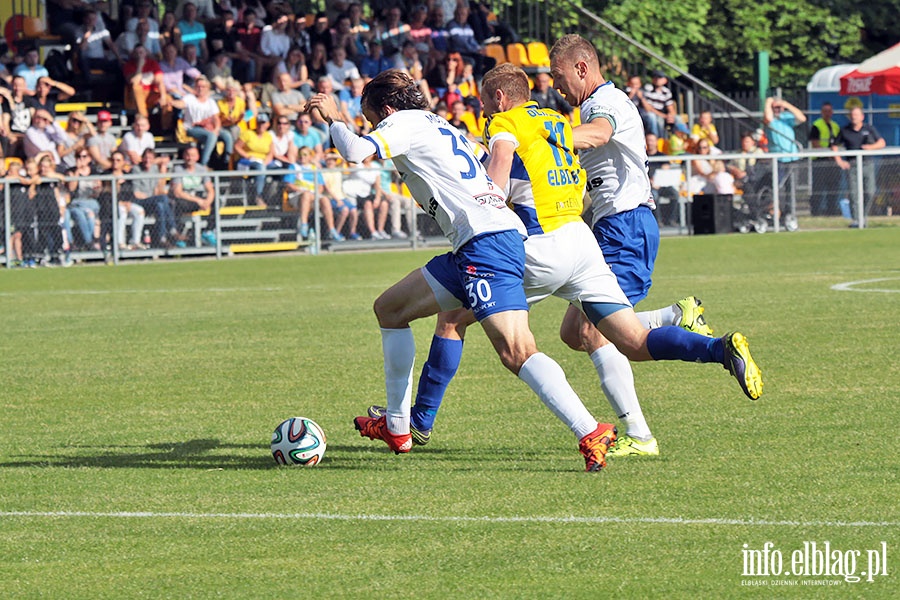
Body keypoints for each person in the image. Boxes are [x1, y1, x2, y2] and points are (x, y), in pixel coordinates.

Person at [368, 59, 763, 458]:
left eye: (486, 104)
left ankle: (419, 422)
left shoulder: (506, 124)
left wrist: (480, 194)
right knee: (632, 341)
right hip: (580, 241)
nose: (485, 113)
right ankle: (718, 349)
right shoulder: (554, 120)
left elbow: (498, 182)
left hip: (535, 246)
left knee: (460, 321)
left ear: (500, 99)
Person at [305, 69, 618, 471]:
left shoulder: (402, 122)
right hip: (480, 240)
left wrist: (334, 117)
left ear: (385, 110)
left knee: (516, 351)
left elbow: (354, 153)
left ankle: (589, 429)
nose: (372, 128)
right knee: (390, 309)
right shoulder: (441, 125)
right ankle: (399, 426)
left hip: (487, 244)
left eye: (370, 120)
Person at [830, 105, 885, 226]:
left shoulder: (869, 129)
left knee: (870, 191)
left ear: (862, 116)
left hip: (867, 164)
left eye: (856, 115)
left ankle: (863, 216)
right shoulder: (845, 130)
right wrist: (839, 161)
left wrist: (870, 147)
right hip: (852, 165)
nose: (854, 118)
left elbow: (881, 142)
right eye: (852, 115)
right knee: (854, 193)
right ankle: (856, 220)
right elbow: (834, 146)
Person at [176, 76, 233, 167]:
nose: (200, 89)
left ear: (207, 89)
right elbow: (181, 104)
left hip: (208, 128)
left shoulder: (211, 102)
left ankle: (226, 161)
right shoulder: (189, 98)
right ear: (195, 87)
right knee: (211, 136)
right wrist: (172, 102)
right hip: (192, 128)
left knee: (227, 135)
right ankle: (204, 163)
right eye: (198, 86)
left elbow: (216, 118)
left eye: (203, 87)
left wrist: (217, 128)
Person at [131, 147, 181, 247]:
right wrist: (152, 197)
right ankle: (172, 229)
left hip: (153, 201)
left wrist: (163, 170)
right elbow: (136, 193)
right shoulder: (136, 169)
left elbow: (157, 189)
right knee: (163, 199)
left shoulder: (154, 169)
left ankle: (162, 238)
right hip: (140, 201)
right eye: (145, 158)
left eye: (150, 158)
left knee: (160, 206)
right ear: (142, 158)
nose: (147, 160)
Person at [763, 96, 806, 186]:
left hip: (792, 157)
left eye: (779, 107)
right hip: (778, 158)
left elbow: (802, 118)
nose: (778, 110)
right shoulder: (770, 119)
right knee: (778, 184)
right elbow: (768, 118)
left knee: (792, 184)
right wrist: (768, 103)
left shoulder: (786, 117)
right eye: (775, 107)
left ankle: (791, 200)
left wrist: (786, 105)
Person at [808, 102, 842, 216]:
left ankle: (831, 211)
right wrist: (828, 153)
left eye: (829, 111)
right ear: (822, 112)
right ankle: (815, 212)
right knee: (818, 188)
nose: (827, 114)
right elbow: (815, 143)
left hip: (833, 161)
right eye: (825, 111)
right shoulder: (817, 125)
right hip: (820, 161)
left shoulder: (835, 126)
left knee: (833, 187)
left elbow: (838, 143)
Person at [234, 110, 274, 207]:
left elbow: (271, 152)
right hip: (246, 161)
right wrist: (247, 156)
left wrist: (266, 161)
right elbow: (237, 147)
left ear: (268, 124)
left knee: (282, 168)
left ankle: (276, 198)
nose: (261, 125)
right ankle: (258, 196)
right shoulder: (248, 133)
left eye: (263, 123)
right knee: (260, 168)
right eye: (259, 123)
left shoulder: (268, 136)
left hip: (263, 161)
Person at [642, 70, 676, 138]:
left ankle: (676, 140)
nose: (657, 79)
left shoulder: (666, 91)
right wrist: (663, 116)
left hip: (661, 114)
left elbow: (670, 107)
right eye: (655, 77)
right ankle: (658, 140)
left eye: (660, 77)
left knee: (678, 119)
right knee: (655, 118)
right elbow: (649, 108)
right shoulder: (648, 88)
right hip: (648, 114)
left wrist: (671, 116)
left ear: (665, 80)